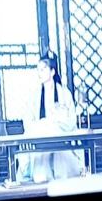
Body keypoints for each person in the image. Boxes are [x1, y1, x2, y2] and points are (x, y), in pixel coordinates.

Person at [14, 51, 85, 184]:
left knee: (64, 168)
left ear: (52, 72)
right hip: (40, 135)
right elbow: (28, 120)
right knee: (41, 173)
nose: (40, 73)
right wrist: (43, 124)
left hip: (60, 134)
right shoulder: (34, 95)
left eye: (43, 69)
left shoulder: (64, 93)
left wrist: (54, 122)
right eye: (38, 70)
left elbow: (70, 120)